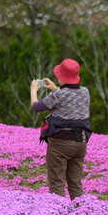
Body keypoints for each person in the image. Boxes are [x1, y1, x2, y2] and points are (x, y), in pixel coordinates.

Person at [31, 58, 92, 199]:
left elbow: (36, 107)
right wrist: (55, 88)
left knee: (56, 182)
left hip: (60, 144)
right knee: (75, 183)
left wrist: (34, 90)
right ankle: (81, 213)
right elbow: (69, 98)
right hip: (80, 143)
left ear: (61, 77)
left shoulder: (57, 95)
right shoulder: (85, 92)